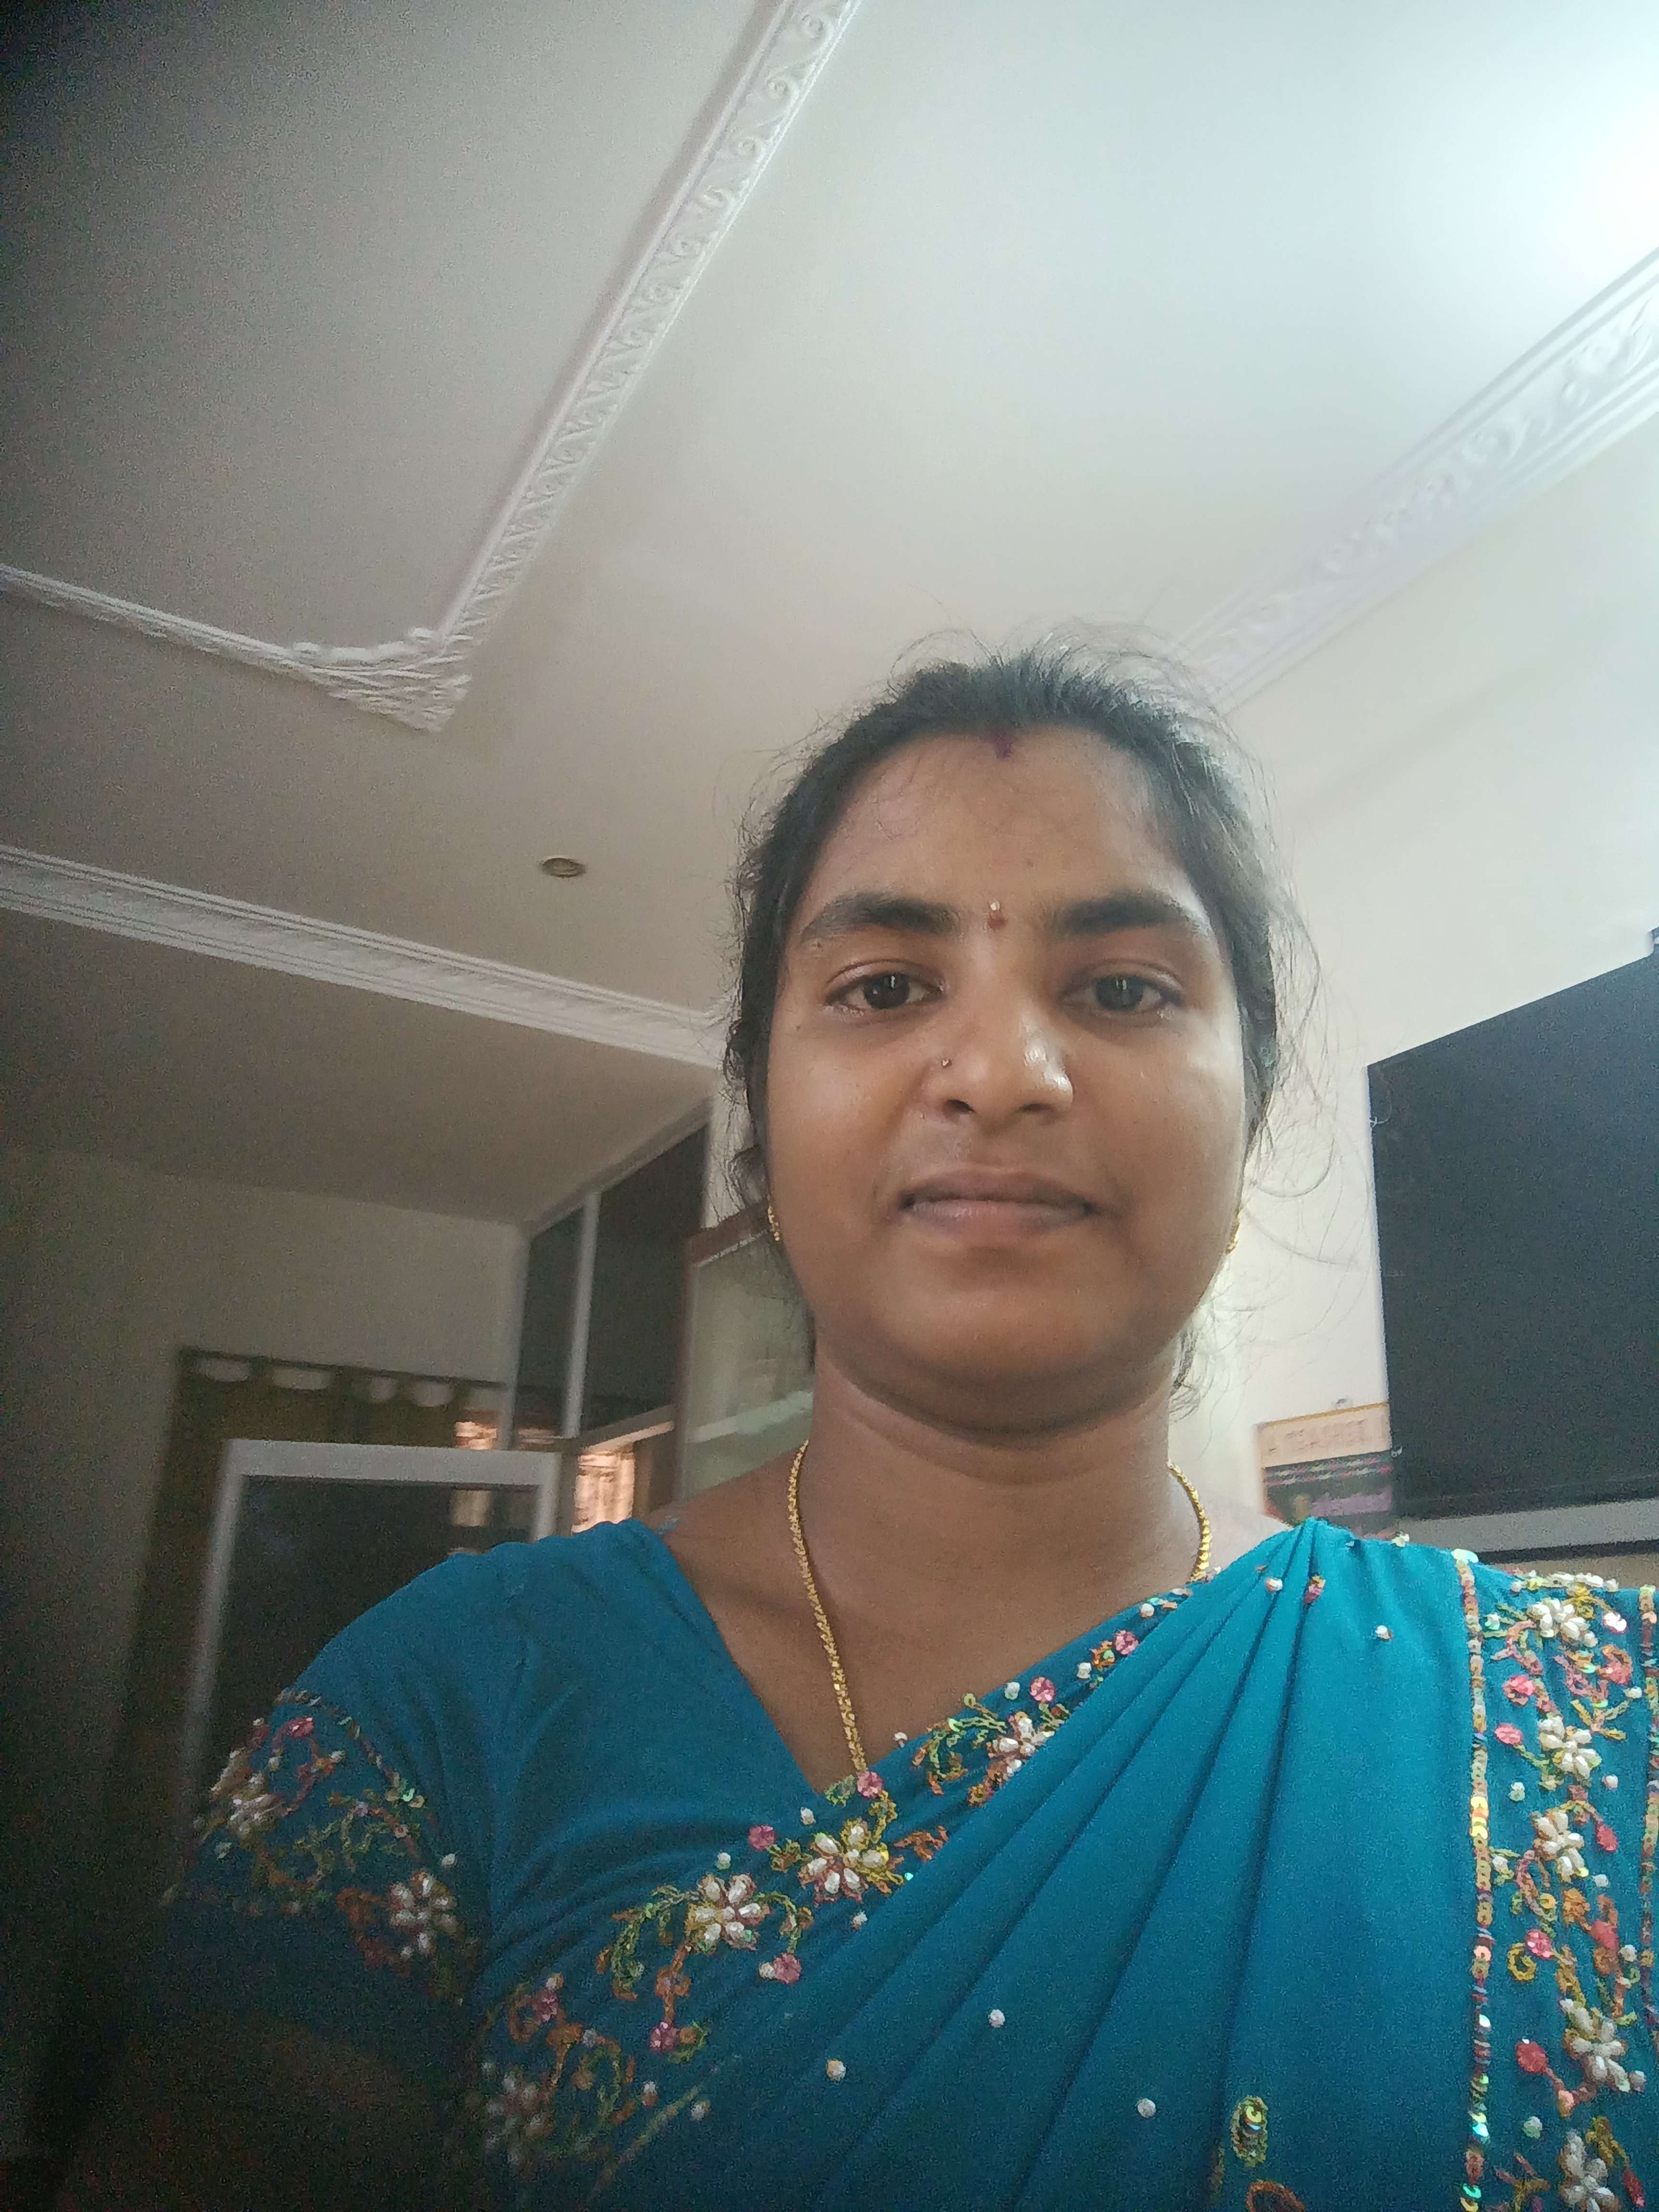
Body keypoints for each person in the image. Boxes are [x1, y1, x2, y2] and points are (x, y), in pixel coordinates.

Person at [61, 647, 1655, 2211]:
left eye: (1122, 989)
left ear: (1249, 1107)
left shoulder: (1586, 1728)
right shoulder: (447, 1706)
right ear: (763, 1130)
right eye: (884, 988)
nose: (1004, 1073)